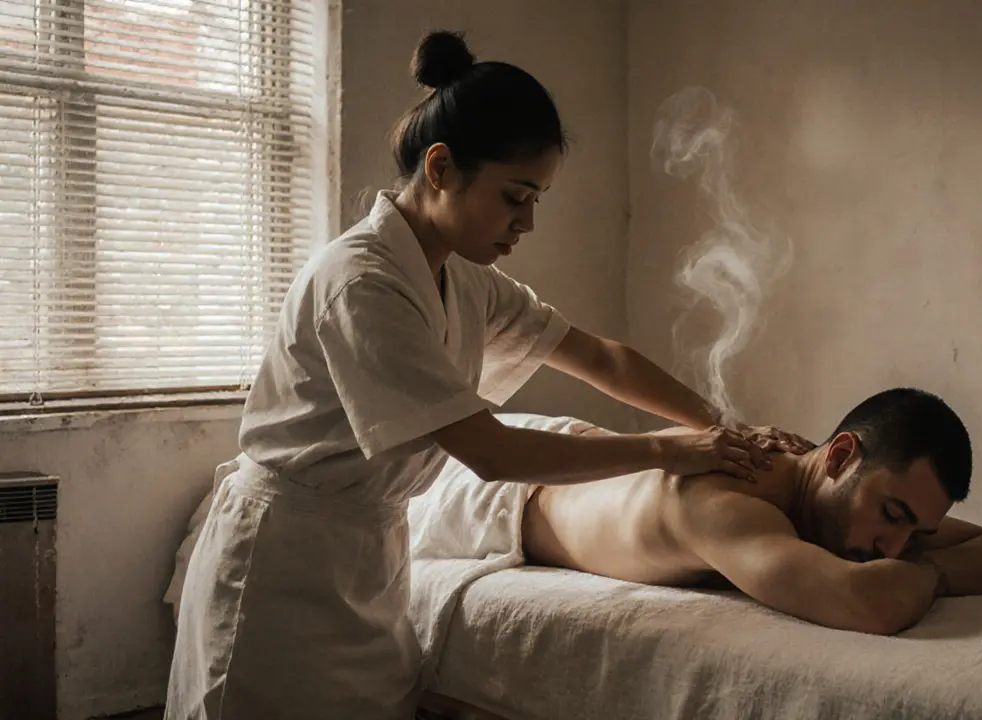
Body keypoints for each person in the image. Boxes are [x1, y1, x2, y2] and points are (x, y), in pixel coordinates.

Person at [164, 30, 810, 720]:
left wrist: (726, 429)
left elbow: (600, 358)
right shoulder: (361, 283)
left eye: (537, 200)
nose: (526, 222)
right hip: (280, 568)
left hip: (368, 556)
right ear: (441, 168)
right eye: (514, 197)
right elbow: (493, 453)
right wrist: (667, 449)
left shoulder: (464, 279)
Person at [522, 388, 982, 635]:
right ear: (839, 458)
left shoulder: (836, 498)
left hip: (587, 451)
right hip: (504, 492)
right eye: (893, 516)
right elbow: (869, 604)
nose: (894, 549)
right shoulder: (722, 501)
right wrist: (935, 571)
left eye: (917, 531)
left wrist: (921, 563)